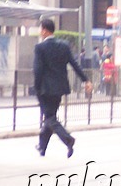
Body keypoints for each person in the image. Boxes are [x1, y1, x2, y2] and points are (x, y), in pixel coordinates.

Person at [33, 18, 92, 158]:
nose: (40, 32)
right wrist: (86, 80)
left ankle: (68, 139)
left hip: (45, 89)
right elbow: (74, 64)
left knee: (50, 118)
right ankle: (42, 147)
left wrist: (36, 87)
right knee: (50, 117)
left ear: (45, 30)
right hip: (59, 88)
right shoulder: (64, 46)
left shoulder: (40, 48)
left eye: (41, 29)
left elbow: (38, 69)